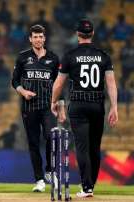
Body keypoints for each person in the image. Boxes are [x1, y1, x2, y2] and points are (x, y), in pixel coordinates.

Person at [51, 19, 118, 198]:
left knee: (82, 147)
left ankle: (86, 187)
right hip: (97, 105)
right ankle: (90, 186)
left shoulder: (70, 55)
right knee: (95, 147)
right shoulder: (103, 55)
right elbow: (111, 84)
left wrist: (53, 101)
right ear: (93, 33)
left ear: (77, 34)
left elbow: (58, 84)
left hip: (79, 105)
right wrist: (114, 107)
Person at [11, 24, 63, 192]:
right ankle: (39, 180)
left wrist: (60, 107)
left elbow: (59, 84)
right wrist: (23, 91)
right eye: (35, 37)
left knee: (50, 137)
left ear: (44, 38)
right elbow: (15, 81)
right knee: (33, 143)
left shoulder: (53, 58)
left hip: (48, 106)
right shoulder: (22, 57)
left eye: (41, 37)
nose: (38, 39)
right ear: (30, 39)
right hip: (29, 106)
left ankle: (49, 169)